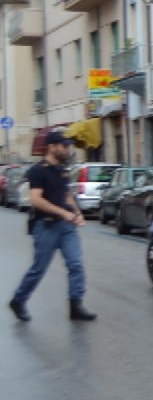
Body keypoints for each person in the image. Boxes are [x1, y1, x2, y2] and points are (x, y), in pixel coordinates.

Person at [9, 130, 97, 322]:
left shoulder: (62, 171)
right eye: (64, 146)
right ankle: (18, 300)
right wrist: (63, 212)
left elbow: (66, 195)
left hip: (67, 226)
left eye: (68, 146)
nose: (67, 149)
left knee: (75, 264)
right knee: (39, 268)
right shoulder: (38, 171)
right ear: (52, 147)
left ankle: (76, 305)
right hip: (46, 226)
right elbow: (35, 199)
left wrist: (77, 213)